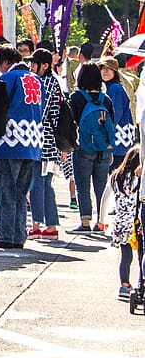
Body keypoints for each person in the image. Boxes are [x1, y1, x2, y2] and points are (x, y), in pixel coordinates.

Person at [0, 44, 44, 249]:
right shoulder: (37, 80)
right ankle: (19, 235)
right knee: (21, 191)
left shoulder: (5, 79)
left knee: (4, 189)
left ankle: (6, 236)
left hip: (9, 141)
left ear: (3, 62)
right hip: (33, 141)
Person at [67, 61, 115, 235]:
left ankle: (85, 222)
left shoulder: (76, 97)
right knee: (101, 187)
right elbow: (112, 124)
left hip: (83, 147)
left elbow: (70, 122)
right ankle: (101, 222)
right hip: (103, 148)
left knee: (83, 186)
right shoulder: (106, 99)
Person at [27, 47, 67, 238]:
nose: (31, 66)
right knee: (45, 184)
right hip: (51, 142)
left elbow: (40, 113)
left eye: (34, 63)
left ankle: (37, 224)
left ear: (44, 65)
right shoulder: (55, 83)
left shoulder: (45, 83)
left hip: (41, 140)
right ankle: (50, 226)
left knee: (37, 183)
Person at [109, 148, 141, 298]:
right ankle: (142, 283)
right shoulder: (139, 178)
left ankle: (124, 285)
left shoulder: (116, 176)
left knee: (125, 256)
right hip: (137, 221)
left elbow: (105, 198)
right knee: (142, 254)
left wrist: (101, 220)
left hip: (121, 222)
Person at [98, 54, 136, 169]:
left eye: (109, 69)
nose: (105, 72)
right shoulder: (110, 87)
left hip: (118, 139)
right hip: (120, 139)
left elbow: (115, 114)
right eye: (103, 69)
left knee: (112, 176)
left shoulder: (115, 88)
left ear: (115, 71)